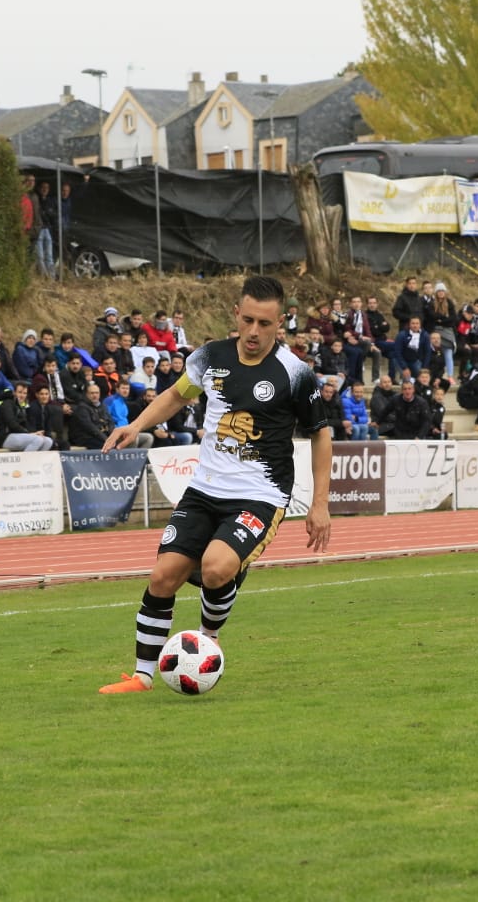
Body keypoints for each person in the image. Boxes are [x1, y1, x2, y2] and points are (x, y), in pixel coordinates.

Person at [97, 276, 329, 694]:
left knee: (217, 568)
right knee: (162, 576)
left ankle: (209, 639)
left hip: (261, 495)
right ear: (236, 315)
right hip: (204, 491)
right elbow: (176, 395)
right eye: (249, 321)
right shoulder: (210, 357)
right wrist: (135, 425)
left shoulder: (296, 374)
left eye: (266, 324)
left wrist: (320, 504)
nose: (254, 332)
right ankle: (142, 677)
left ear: (280, 325)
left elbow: (320, 434)